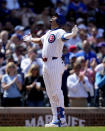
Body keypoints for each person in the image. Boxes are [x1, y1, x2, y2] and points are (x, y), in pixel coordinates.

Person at [23, 13, 78, 127]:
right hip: (45, 63)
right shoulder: (48, 33)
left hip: (55, 62)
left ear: (59, 21)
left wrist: (72, 34)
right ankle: (55, 119)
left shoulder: (59, 31)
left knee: (57, 91)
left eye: (55, 17)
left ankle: (62, 120)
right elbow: (40, 40)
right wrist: (30, 39)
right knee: (50, 92)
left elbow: (64, 37)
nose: (52, 17)